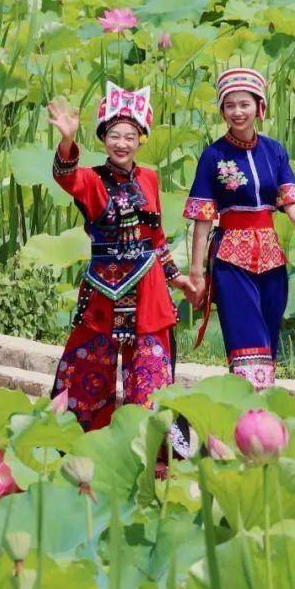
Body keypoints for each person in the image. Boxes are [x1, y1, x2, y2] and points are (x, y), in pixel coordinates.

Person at [48, 83, 197, 431]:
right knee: (88, 367)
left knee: (150, 367)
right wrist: (67, 141)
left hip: (148, 286)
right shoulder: (92, 180)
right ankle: (77, 436)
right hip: (104, 288)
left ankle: (148, 441)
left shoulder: (150, 178)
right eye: (114, 135)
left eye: (130, 136)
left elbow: (156, 238)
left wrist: (178, 278)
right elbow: (65, 177)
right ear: (103, 138)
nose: (121, 143)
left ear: (140, 139)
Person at [184, 67, 295, 389]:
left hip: (272, 257)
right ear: (222, 110)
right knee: (247, 336)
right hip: (232, 259)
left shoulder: (274, 151)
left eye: (244, 104)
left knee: (269, 335)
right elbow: (203, 219)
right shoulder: (213, 156)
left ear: (260, 106)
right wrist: (196, 273)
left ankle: (260, 418)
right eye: (230, 105)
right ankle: (250, 405)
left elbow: (289, 199)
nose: (237, 112)